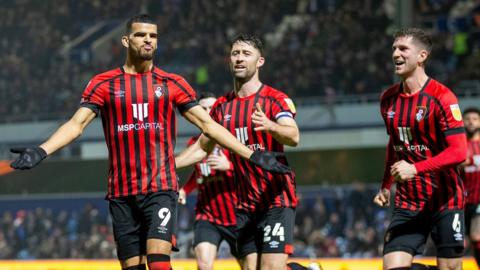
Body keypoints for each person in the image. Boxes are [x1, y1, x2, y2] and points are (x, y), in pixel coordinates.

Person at [9, 15, 289, 270]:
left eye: (153, 36)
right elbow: (76, 125)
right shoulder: (103, 84)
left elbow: (209, 125)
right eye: (141, 35)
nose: (148, 41)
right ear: (126, 40)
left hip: (160, 188)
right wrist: (41, 150)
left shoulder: (172, 83)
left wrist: (251, 156)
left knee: (158, 264)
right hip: (121, 192)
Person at [176, 34, 320, 270]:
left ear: (260, 61)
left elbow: (293, 136)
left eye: (246, 54)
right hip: (243, 207)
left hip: (275, 200)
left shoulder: (275, 99)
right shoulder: (222, 107)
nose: (240, 59)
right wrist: (167, 165)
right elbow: (202, 147)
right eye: (235, 54)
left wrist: (270, 125)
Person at [373, 28, 467, 270]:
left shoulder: (443, 97)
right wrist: (385, 185)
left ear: (422, 56)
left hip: (445, 200)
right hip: (408, 203)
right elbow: (394, 145)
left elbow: (458, 152)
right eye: (394, 48)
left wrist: (415, 168)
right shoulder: (387, 99)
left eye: (403, 48)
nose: (396, 53)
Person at [178, 92, 239, 270]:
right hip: (207, 216)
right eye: (203, 108)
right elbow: (198, 173)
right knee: (204, 266)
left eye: (211, 107)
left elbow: (252, 172)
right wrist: (185, 190)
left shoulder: (233, 138)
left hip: (237, 216)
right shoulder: (194, 143)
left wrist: (230, 167)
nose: (207, 112)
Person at [461, 107, 480, 267]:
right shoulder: (459, 146)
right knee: (468, 241)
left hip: (479, 200)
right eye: (467, 119)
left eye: (474, 119)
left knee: (476, 236)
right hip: (464, 202)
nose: (471, 122)